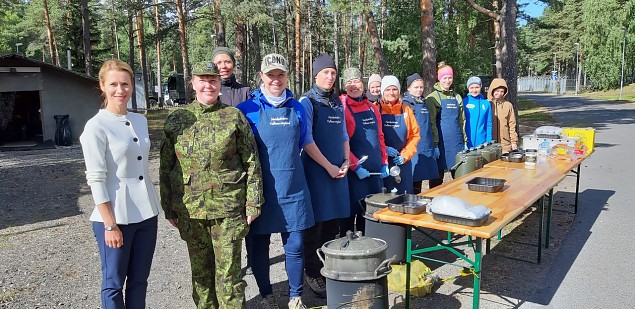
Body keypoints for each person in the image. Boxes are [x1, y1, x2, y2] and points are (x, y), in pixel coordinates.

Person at [159, 62, 263, 309]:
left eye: (213, 80)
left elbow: (251, 162)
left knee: (229, 278)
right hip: (191, 212)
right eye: (202, 80)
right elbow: (166, 167)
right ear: (193, 83)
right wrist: (169, 208)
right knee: (201, 277)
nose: (208, 85)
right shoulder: (177, 120)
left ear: (220, 84)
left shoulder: (233, 117)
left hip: (228, 212)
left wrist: (253, 203)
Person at [80, 59, 161, 308]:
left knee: (139, 280)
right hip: (115, 217)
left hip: (146, 213)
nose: (120, 90)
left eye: (125, 84)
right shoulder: (95, 126)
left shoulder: (140, 120)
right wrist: (109, 225)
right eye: (113, 84)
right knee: (113, 283)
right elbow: (96, 178)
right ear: (102, 86)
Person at [236, 53, 314, 309]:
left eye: (280, 75)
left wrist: (331, 166)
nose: (276, 80)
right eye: (271, 75)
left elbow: (307, 142)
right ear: (261, 76)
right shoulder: (246, 110)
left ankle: (295, 296)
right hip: (260, 190)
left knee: (295, 244)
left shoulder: (297, 107)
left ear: (287, 76)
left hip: (293, 186)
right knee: (258, 244)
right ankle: (266, 296)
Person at [298, 53, 351, 299]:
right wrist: (328, 166)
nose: (330, 77)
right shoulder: (307, 102)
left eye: (333, 73)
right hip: (317, 172)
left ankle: (327, 266)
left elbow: (343, 136)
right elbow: (306, 140)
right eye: (325, 73)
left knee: (333, 224)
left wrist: (347, 160)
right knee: (315, 225)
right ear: (315, 75)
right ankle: (312, 272)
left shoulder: (337, 103)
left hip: (337, 171)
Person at [340, 67, 389, 235]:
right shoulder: (342, 107)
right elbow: (341, 142)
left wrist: (384, 162)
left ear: (363, 84)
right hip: (354, 174)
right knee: (349, 215)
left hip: (374, 172)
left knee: (368, 216)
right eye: (349, 82)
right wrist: (356, 167)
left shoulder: (372, 108)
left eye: (357, 81)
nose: (354, 86)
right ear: (344, 86)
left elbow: (380, 137)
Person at [425, 63, 467, 186]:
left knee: (459, 177)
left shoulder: (457, 97)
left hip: (456, 143)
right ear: (439, 79)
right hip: (441, 144)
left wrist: (465, 141)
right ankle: (434, 202)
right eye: (445, 78)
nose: (447, 81)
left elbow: (462, 121)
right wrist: (435, 145)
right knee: (437, 179)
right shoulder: (432, 98)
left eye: (450, 78)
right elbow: (431, 123)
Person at [377, 75, 420, 194]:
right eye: (387, 89)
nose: (391, 92)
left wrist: (405, 155)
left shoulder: (406, 110)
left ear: (399, 91)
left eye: (394, 89)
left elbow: (414, 136)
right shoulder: (375, 109)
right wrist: (384, 149)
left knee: (404, 197)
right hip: (382, 163)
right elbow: (372, 136)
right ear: (382, 92)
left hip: (402, 163)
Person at [402, 73, 439, 193]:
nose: (419, 90)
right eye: (416, 87)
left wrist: (435, 145)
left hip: (427, 145)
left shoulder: (424, 102)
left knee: (429, 177)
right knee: (414, 179)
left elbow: (430, 124)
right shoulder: (405, 104)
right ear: (408, 88)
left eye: (421, 87)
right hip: (413, 147)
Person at [488, 78, 519, 153]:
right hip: (490, 145)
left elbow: (512, 125)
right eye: (497, 91)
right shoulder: (486, 104)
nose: (499, 93)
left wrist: (514, 142)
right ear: (492, 90)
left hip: (505, 144)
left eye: (502, 91)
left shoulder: (508, 105)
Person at [463, 76, 492, 148]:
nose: (474, 90)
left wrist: (488, 141)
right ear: (468, 88)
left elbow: (489, 124)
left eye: (477, 87)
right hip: (467, 142)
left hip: (482, 143)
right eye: (471, 88)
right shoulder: (464, 102)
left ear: (481, 87)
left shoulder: (486, 104)